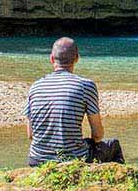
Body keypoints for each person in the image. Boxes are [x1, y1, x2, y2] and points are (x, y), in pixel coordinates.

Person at [24, 37, 125, 166]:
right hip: (73, 159)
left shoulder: (35, 87)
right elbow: (98, 134)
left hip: (36, 159)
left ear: (51, 59)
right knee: (114, 145)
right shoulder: (85, 86)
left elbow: (30, 135)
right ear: (77, 58)